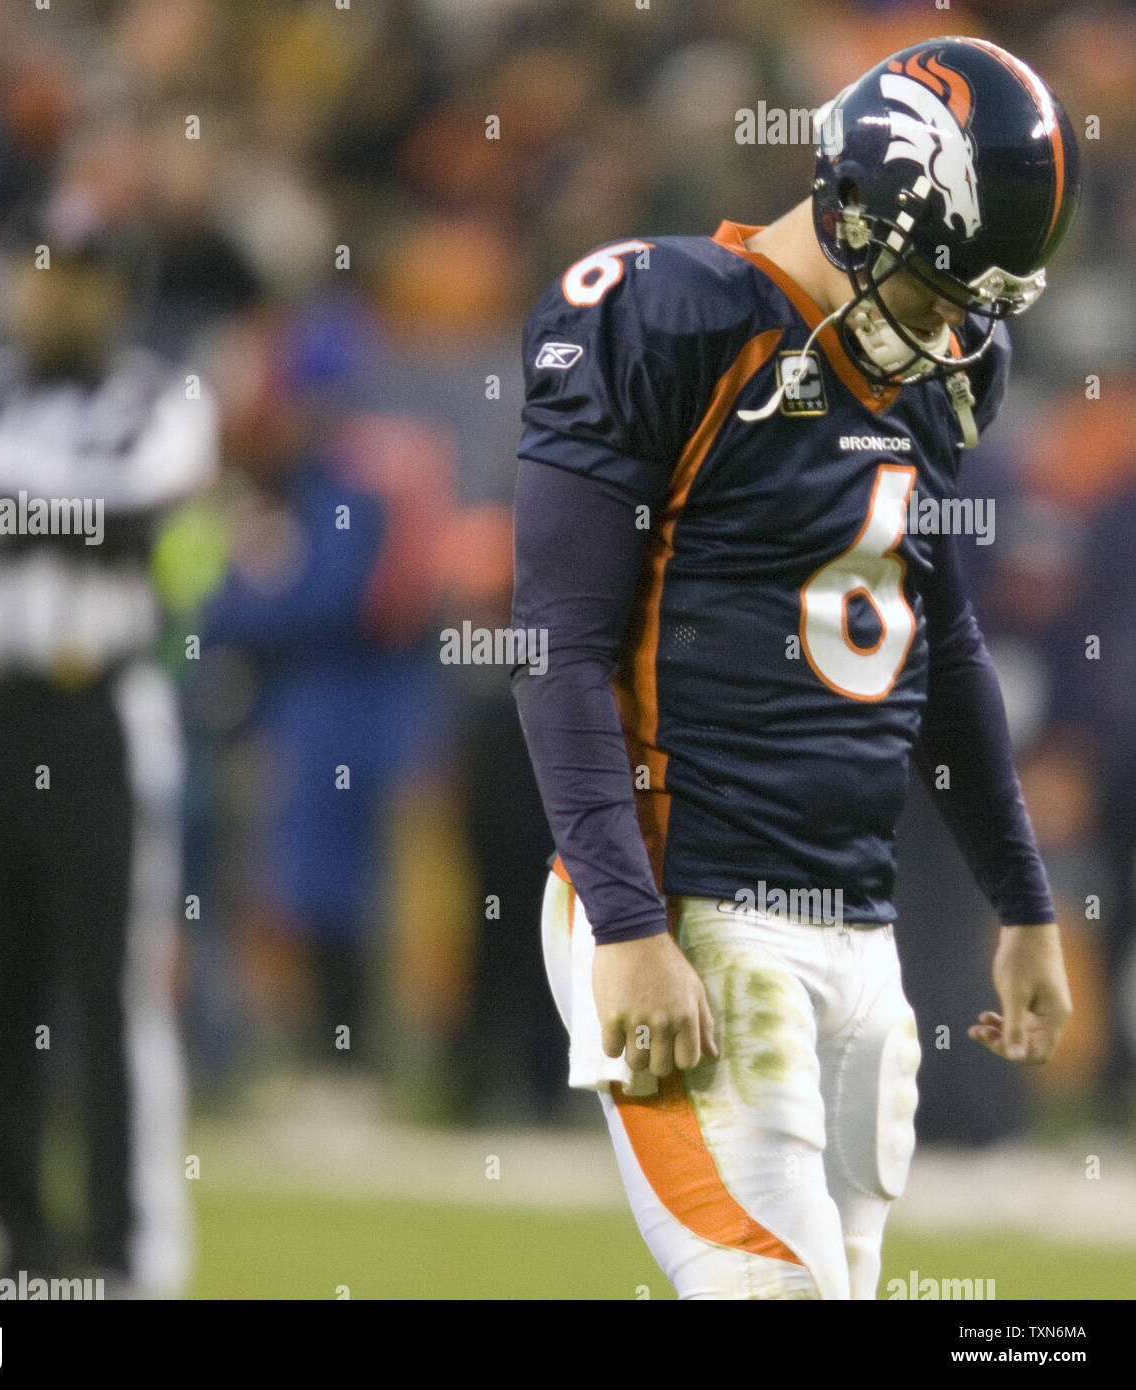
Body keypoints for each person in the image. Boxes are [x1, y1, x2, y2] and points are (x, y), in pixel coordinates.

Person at [510, 37, 1079, 1300]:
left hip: (854, 923)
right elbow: (557, 649)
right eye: (935, 289)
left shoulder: (944, 366)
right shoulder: (669, 314)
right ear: (854, 205)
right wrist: (625, 924)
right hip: (689, 895)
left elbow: (942, 643)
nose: (950, 332)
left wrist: (1022, 901)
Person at [0, 233, 218, 1297]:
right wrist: (59, 511)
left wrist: (8, 510)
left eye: (76, 276)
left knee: (109, 984)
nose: (52, 296)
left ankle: (127, 1255)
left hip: (92, 713)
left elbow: (143, 506)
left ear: (114, 291)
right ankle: (16, 1248)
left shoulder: (158, 394)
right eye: (38, 272)